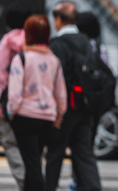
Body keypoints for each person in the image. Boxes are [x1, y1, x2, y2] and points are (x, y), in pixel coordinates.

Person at [46, 0, 102, 191]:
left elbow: (54, 78)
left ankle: (49, 187)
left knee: (55, 153)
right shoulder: (86, 42)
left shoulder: (57, 44)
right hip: (85, 105)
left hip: (65, 107)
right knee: (84, 153)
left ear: (58, 19)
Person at [7, 14, 67, 191]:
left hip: (24, 116)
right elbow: (61, 93)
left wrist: (11, 113)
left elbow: (15, 94)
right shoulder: (54, 61)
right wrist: (59, 115)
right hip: (47, 118)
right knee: (35, 159)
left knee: (31, 163)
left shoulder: (22, 59)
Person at [0, 1, 30, 191]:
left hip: (9, 101)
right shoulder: (36, 40)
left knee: (11, 144)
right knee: (30, 147)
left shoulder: (7, 42)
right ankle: (35, 181)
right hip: (33, 105)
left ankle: (25, 184)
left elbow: (1, 75)